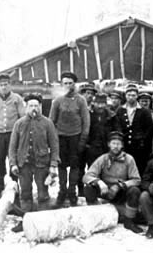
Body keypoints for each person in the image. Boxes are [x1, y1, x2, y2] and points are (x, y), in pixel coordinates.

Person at [83, 132, 144, 233]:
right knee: (89, 188)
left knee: (134, 190)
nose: (116, 146)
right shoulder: (103, 159)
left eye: (118, 144)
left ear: (122, 146)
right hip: (105, 191)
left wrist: (120, 185)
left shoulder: (129, 159)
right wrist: (99, 182)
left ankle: (129, 220)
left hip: (120, 193)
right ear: (109, 144)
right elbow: (87, 176)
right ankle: (96, 216)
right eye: (113, 143)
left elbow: (136, 180)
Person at [9, 93, 59, 212]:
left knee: (43, 194)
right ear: (26, 107)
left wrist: (53, 165)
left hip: (41, 164)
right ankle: (26, 218)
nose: (34, 109)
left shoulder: (47, 123)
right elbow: (12, 146)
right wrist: (13, 164)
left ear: (40, 106)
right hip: (24, 164)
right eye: (31, 106)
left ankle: (42, 220)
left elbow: (55, 146)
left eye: (36, 106)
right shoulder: (19, 123)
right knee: (25, 193)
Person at [49, 72, 91, 207]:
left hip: (76, 138)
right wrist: (53, 140)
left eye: (70, 83)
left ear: (74, 84)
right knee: (61, 166)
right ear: (62, 84)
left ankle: (72, 192)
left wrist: (83, 139)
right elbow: (51, 122)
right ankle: (62, 192)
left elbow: (86, 121)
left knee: (75, 166)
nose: (68, 85)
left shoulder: (81, 100)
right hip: (60, 138)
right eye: (65, 83)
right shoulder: (57, 101)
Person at [0, 74, 26, 183]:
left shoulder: (17, 98)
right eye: (1, 85)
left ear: (10, 85)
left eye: (5, 84)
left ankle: (15, 182)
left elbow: (22, 117)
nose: (3, 87)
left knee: (13, 158)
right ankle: (0, 182)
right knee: (0, 158)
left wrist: (21, 133)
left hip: (13, 134)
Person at [112, 86, 153, 176]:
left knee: (140, 168)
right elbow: (117, 126)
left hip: (140, 147)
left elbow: (149, 129)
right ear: (125, 96)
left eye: (133, 95)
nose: (131, 97)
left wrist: (143, 140)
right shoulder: (120, 110)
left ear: (137, 96)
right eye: (129, 95)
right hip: (125, 146)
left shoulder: (144, 111)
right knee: (124, 169)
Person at [83, 93, 113, 197]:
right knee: (91, 171)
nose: (100, 106)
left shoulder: (111, 116)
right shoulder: (87, 114)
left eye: (103, 103)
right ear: (93, 103)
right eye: (98, 103)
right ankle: (90, 193)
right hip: (90, 148)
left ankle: (104, 193)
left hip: (106, 148)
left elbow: (116, 131)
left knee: (106, 171)